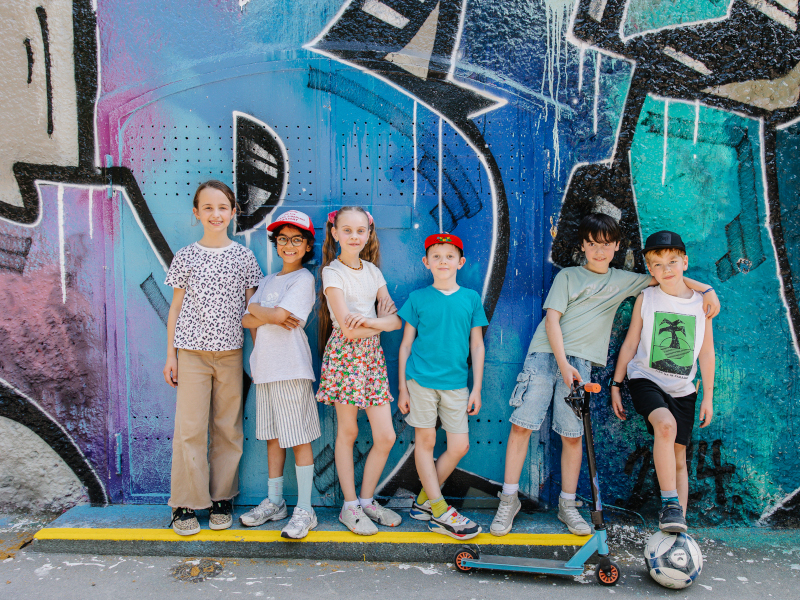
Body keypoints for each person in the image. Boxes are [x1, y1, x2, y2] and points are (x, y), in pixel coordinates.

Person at [490, 213, 720, 537]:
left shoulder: (625, 281)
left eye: (606, 244)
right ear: (583, 245)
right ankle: (509, 500)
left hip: (583, 364)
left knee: (572, 436)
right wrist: (561, 362)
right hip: (545, 356)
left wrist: (707, 289)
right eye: (593, 244)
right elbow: (552, 320)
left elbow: (667, 278)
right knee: (522, 426)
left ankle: (567, 505)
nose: (599, 251)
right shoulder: (567, 277)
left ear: (616, 247)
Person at [162, 180, 262, 535]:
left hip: (231, 354)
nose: (216, 214)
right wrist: (170, 355)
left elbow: (252, 311)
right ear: (197, 213)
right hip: (191, 354)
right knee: (189, 429)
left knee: (228, 428)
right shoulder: (186, 255)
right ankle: (185, 502)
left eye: (223, 207)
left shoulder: (243, 257)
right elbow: (175, 309)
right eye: (208, 208)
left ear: (233, 212)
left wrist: (259, 353)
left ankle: (222, 498)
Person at [610, 231, 715, 533]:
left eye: (672, 262)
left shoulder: (701, 305)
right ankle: (669, 503)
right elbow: (630, 345)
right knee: (664, 426)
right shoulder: (648, 297)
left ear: (685, 261)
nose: (666, 269)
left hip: (684, 389)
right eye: (658, 264)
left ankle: (678, 523)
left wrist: (706, 395)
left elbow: (707, 353)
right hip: (646, 379)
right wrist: (616, 385)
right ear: (650, 270)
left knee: (679, 457)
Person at [316, 206, 403, 535]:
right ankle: (349, 507)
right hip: (345, 356)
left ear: (369, 235)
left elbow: (396, 320)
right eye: (347, 230)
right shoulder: (332, 273)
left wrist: (368, 322)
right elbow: (348, 331)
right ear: (335, 233)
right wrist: (378, 323)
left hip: (371, 358)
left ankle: (367, 501)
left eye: (360, 231)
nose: (355, 236)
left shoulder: (373, 272)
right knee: (348, 432)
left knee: (386, 436)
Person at [397, 233, 488, 539]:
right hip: (420, 381)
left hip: (456, 384)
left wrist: (476, 388)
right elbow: (405, 345)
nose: (443, 261)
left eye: (449, 256)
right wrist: (402, 388)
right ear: (426, 262)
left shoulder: (471, 298)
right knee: (425, 443)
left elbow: (477, 346)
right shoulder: (418, 298)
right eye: (436, 256)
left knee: (459, 445)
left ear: (460, 262)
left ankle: (423, 501)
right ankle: (439, 508)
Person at [239, 210, 321, 539]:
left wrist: (264, 312)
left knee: (298, 437)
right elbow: (247, 320)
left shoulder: (303, 280)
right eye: (283, 239)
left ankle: (305, 508)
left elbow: (280, 314)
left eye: (296, 240)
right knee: (273, 437)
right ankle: (276, 502)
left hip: (291, 368)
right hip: (266, 370)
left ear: (307, 245)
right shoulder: (271, 280)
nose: (289, 245)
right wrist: (265, 314)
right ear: (275, 243)